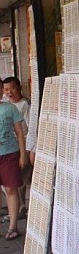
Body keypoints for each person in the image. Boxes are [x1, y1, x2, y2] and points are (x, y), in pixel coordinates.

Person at [0, 85, 28, 240]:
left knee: (11, 189)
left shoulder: (10, 109)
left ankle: (13, 226)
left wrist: (23, 154)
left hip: (10, 154)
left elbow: (19, 133)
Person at [3, 77, 32, 218]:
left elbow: (30, 128)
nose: (10, 92)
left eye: (12, 88)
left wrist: (28, 150)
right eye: (7, 89)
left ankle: (21, 207)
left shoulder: (24, 105)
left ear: (19, 88)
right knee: (12, 181)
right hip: (10, 148)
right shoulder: (6, 106)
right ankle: (18, 207)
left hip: (24, 146)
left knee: (20, 180)